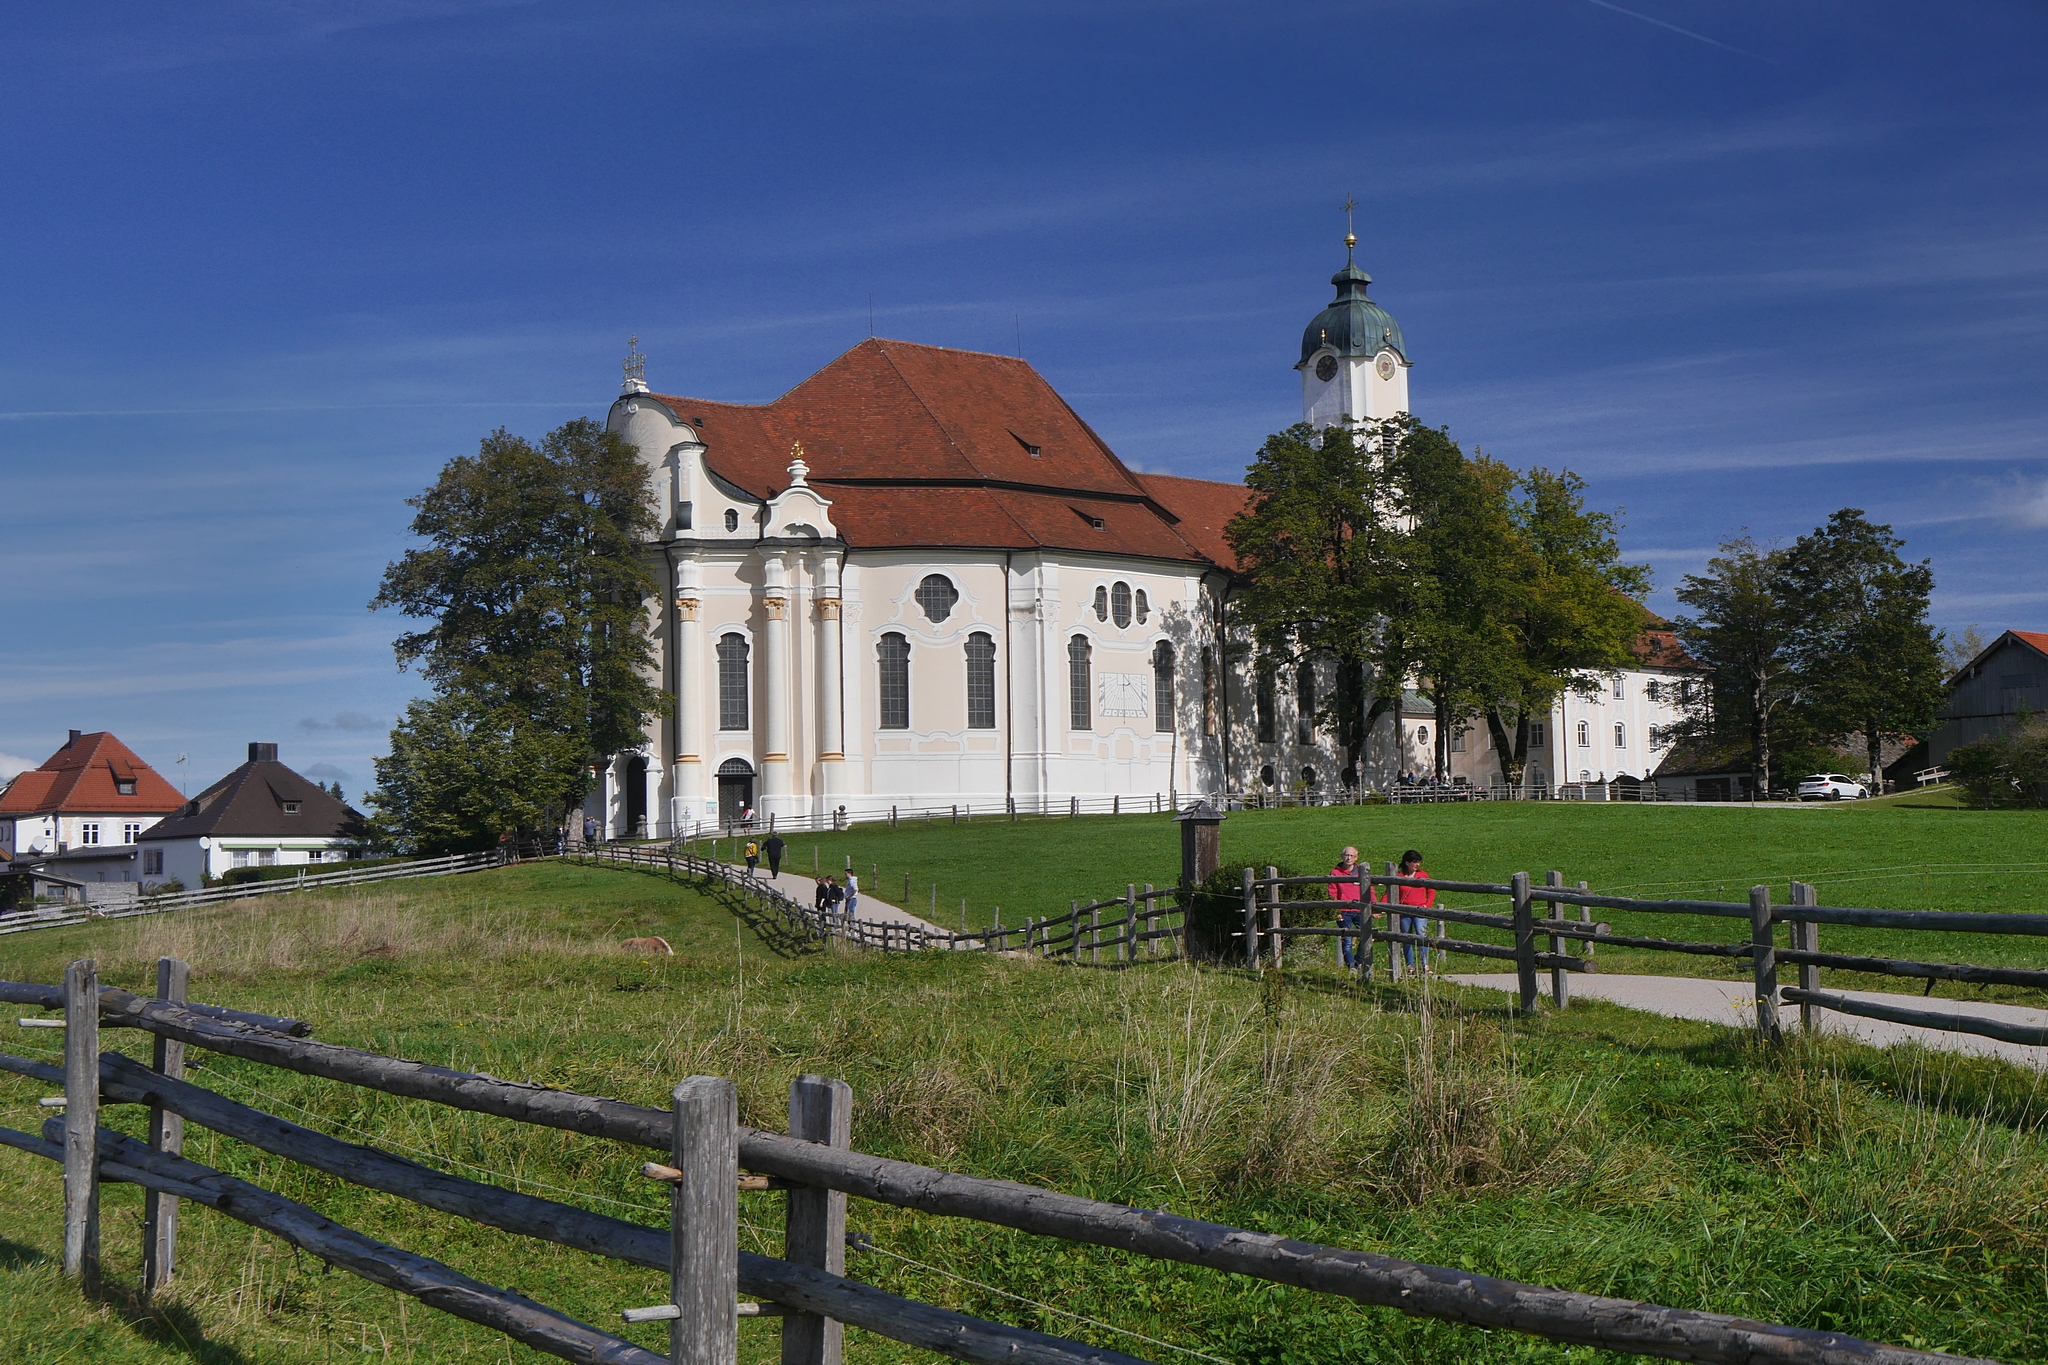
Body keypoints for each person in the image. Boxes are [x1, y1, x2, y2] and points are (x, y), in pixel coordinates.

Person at [1393, 848, 1436, 971]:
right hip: (1404, 911)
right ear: (1407, 862)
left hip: (1420, 909)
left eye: (1418, 862)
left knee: (1422, 935)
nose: (1417, 864)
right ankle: (1410, 966)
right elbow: (1390, 893)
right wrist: (1380, 906)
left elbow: (1431, 890)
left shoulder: (1423, 875)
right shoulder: (1399, 876)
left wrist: (1427, 904)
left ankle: (1425, 965)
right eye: (1414, 862)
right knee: (1407, 938)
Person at [1328, 846, 1365, 969]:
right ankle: (1351, 966)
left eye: (1351, 856)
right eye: (1346, 855)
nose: (1349, 858)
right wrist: (1336, 910)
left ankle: (1358, 962)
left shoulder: (1361, 872)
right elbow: (1332, 893)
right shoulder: (1335, 873)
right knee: (1347, 941)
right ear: (1342, 856)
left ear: (1356, 858)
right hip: (1344, 911)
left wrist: (1373, 907)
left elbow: (1369, 890)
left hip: (1360, 910)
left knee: (1365, 937)